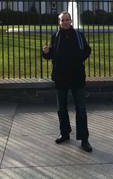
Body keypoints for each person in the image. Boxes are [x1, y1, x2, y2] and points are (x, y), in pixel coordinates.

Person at [42, 11, 92, 152]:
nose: (65, 22)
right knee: (61, 108)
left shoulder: (79, 35)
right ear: (59, 22)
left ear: (71, 21)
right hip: (60, 77)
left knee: (81, 109)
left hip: (77, 76)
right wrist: (46, 53)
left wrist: (77, 60)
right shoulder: (55, 36)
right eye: (62, 20)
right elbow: (51, 55)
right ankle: (65, 133)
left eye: (67, 19)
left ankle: (84, 139)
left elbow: (88, 50)